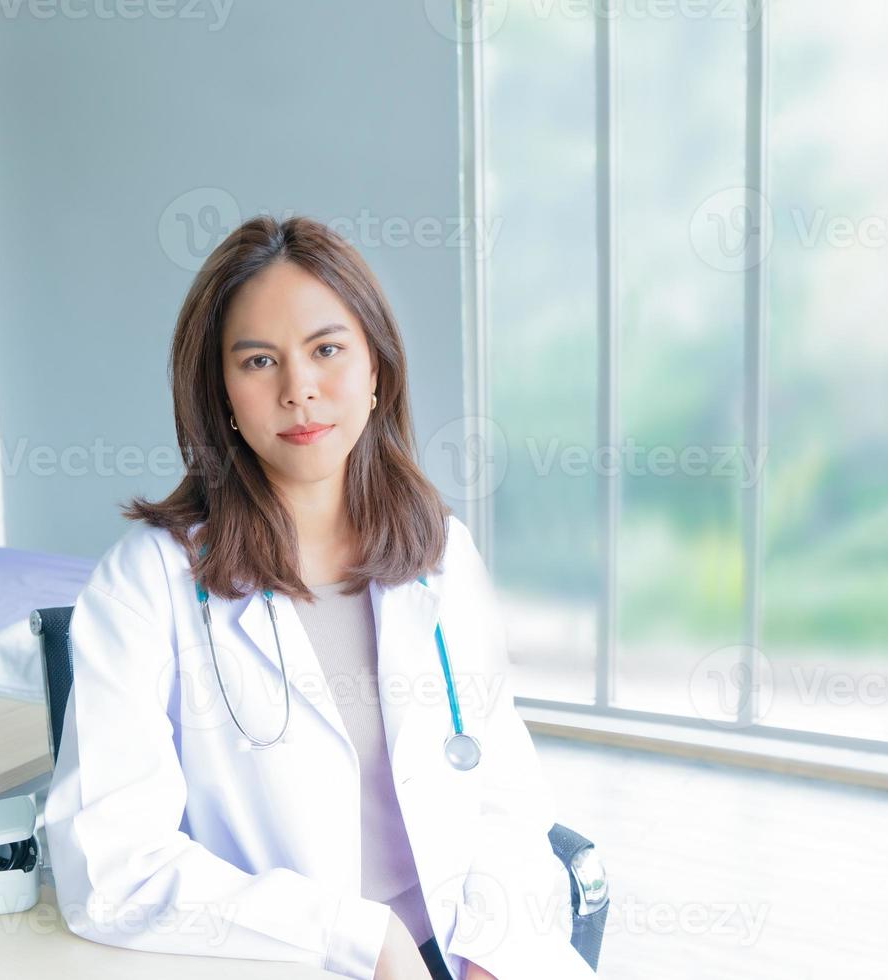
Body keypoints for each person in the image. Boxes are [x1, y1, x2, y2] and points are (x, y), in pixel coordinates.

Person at [43, 215, 596, 979]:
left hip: (463, 947)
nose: (298, 388)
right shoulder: (148, 583)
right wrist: (357, 938)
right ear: (222, 396)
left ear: (377, 371)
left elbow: (503, 791)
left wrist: (491, 955)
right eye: (259, 361)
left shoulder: (440, 554)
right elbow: (110, 867)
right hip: (288, 958)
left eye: (327, 349)